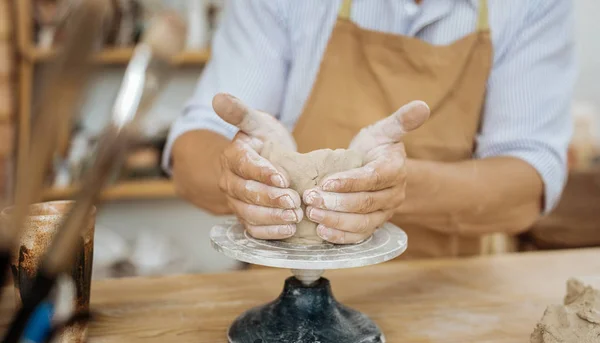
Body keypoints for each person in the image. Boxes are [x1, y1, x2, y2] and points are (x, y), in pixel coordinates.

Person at [163, 0, 576, 259]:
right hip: (283, 284)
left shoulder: (533, 5)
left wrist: (394, 187)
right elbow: (192, 152)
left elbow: (528, 185)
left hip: (448, 291)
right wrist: (245, 175)